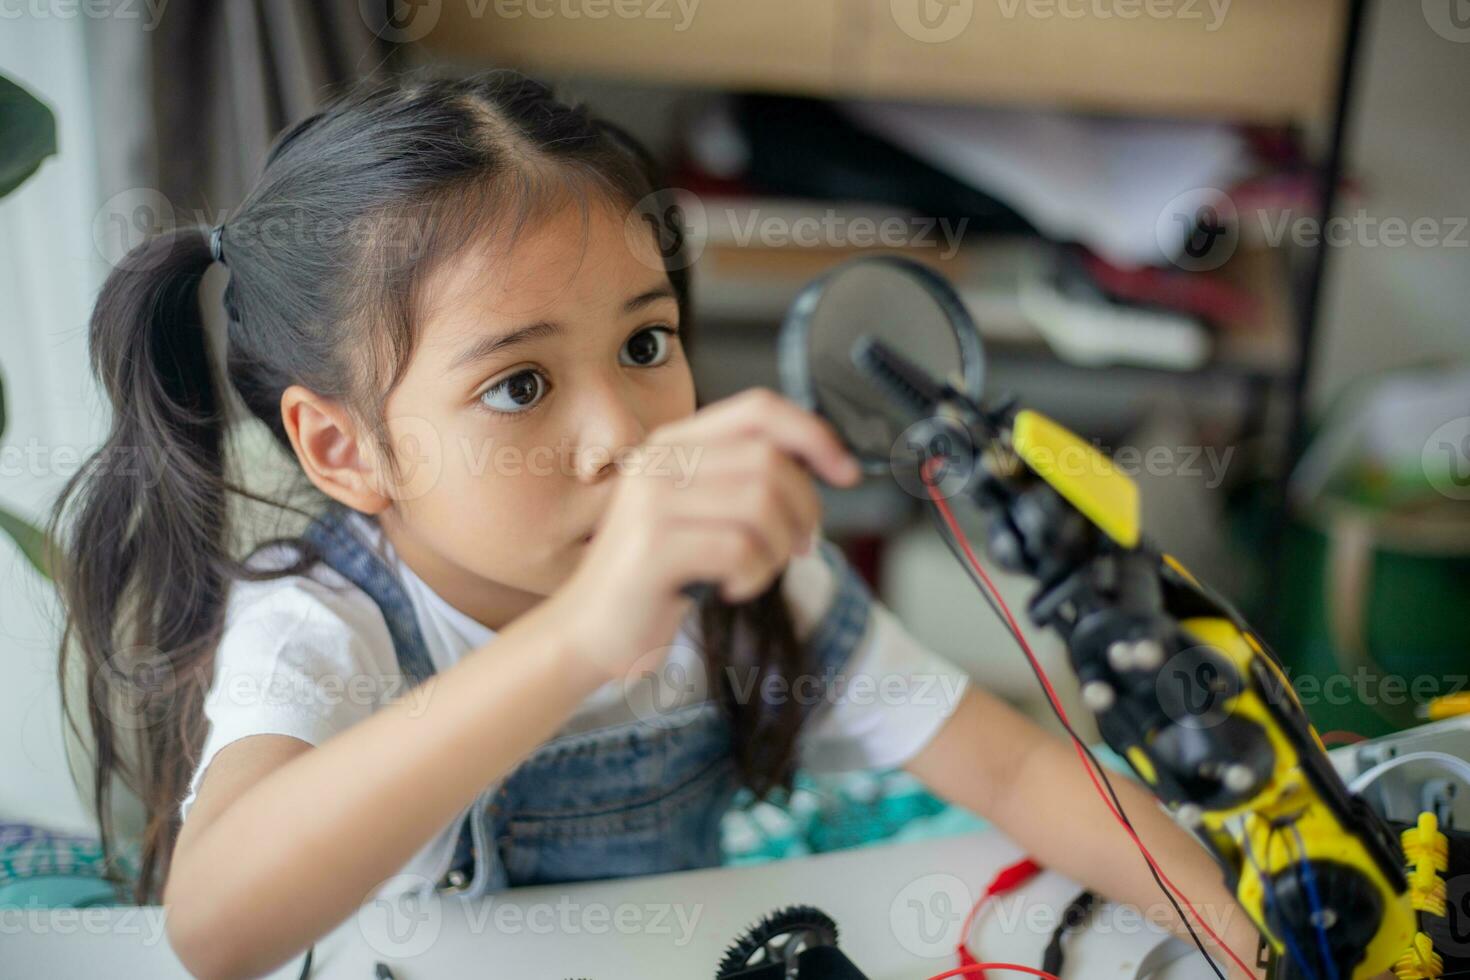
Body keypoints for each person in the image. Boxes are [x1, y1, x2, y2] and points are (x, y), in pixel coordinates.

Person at [52, 70, 1264, 979]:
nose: (625, 432)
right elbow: (216, 926)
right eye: (518, 385)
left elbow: (1005, 762)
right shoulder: (315, 620)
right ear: (343, 447)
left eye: (646, 343)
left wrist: (1237, 928)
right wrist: (583, 632)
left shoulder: (749, 568)